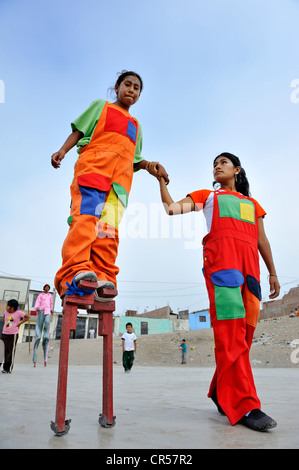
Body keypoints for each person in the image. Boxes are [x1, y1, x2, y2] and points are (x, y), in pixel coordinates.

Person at [158, 152, 280, 432]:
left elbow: (262, 239)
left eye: (223, 162)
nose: (217, 166)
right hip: (223, 271)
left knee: (244, 338)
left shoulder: (252, 204)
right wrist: (161, 182)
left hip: (251, 275)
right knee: (230, 335)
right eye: (214, 164)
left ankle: (219, 391)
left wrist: (272, 272)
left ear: (237, 169)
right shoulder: (207, 196)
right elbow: (171, 208)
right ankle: (246, 405)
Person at [51, 70, 169, 300]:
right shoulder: (101, 106)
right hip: (93, 172)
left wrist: (151, 166)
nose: (131, 90)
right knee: (85, 221)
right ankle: (74, 272)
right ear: (117, 87)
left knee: (108, 231)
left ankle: (103, 277)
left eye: (137, 88)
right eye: (128, 85)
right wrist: (62, 150)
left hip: (120, 185)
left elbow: (135, 158)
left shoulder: (136, 125)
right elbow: (79, 131)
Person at [0, 299, 30, 373]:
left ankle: (7, 369)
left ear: (12, 307)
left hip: (13, 335)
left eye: (8, 305)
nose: (6, 307)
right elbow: (5, 319)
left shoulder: (19, 313)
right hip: (4, 333)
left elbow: (28, 317)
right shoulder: (6, 312)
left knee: (9, 352)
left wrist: (19, 323)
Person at [32, 284, 53, 367]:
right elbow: (37, 302)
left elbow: (51, 303)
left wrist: (51, 310)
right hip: (41, 310)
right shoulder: (40, 295)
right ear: (44, 288)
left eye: (48, 288)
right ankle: (38, 335)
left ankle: (46, 335)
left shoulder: (50, 295)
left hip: (47, 310)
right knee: (39, 325)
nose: (47, 289)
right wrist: (37, 307)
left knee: (47, 323)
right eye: (46, 287)